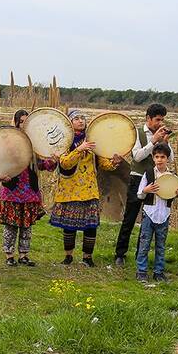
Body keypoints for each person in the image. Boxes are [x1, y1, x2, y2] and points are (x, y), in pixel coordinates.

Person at [50, 109, 122, 267]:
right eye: (76, 118)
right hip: (69, 189)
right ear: (70, 122)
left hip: (89, 189)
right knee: (69, 226)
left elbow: (104, 164)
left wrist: (114, 162)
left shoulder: (93, 140)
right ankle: (68, 256)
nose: (81, 121)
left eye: (83, 118)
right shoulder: (65, 140)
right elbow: (65, 163)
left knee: (90, 226)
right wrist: (79, 149)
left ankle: (87, 258)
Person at [114, 103, 173, 267]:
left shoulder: (162, 134)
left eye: (162, 120)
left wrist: (165, 143)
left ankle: (142, 254)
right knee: (130, 217)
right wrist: (153, 141)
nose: (160, 123)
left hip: (156, 180)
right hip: (138, 178)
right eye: (157, 120)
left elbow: (171, 159)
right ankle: (120, 253)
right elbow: (138, 156)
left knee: (148, 217)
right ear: (148, 118)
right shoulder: (138, 133)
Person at [0, 109, 58, 267]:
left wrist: (52, 161)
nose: (24, 124)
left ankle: (24, 255)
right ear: (17, 122)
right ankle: (9, 255)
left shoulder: (34, 143)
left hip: (30, 190)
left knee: (27, 226)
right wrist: (1, 174)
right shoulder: (8, 141)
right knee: (11, 225)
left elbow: (41, 165)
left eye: (27, 121)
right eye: (22, 121)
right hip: (12, 189)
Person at [134, 143, 178, 282]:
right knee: (144, 243)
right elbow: (139, 194)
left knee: (161, 245)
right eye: (157, 157)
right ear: (153, 158)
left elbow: (172, 195)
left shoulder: (172, 176)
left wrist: (177, 194)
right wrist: (145, 190)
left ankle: (158, 272)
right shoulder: (148, 174)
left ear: (167, 158)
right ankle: (141, 271)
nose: (160, 160)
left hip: (164, 214)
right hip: (149, 213)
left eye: (163, 157)